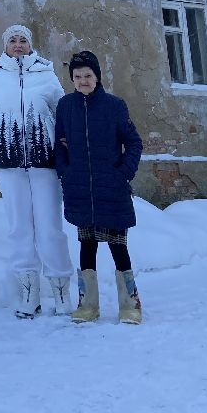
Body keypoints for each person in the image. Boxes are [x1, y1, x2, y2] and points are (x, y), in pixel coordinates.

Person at [0, 24, 73, 318]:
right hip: (8, 164)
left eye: (23, 40)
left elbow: (62, 113)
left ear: (31, 44)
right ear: (5, 45)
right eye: (13, 40)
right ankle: (29, 293)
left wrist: (58, 143)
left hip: (45, 163)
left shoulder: (46, 74)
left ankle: (60, 290)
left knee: (49, 227)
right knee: (19, 228)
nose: (18, 44)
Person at [54, 50, 144, 324]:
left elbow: (134, 143)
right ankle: (88, 305)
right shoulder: (66, 106)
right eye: (78, 76)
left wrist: (124, 174)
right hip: (80, 188)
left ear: (97, 77)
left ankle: (130, 305)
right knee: (87, 245)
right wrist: (65, 173)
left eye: (88, 75)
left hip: (111, 187)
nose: (83, 80)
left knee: (118, 246)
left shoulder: (114, 106)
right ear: (72, 79)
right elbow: (59, 144)